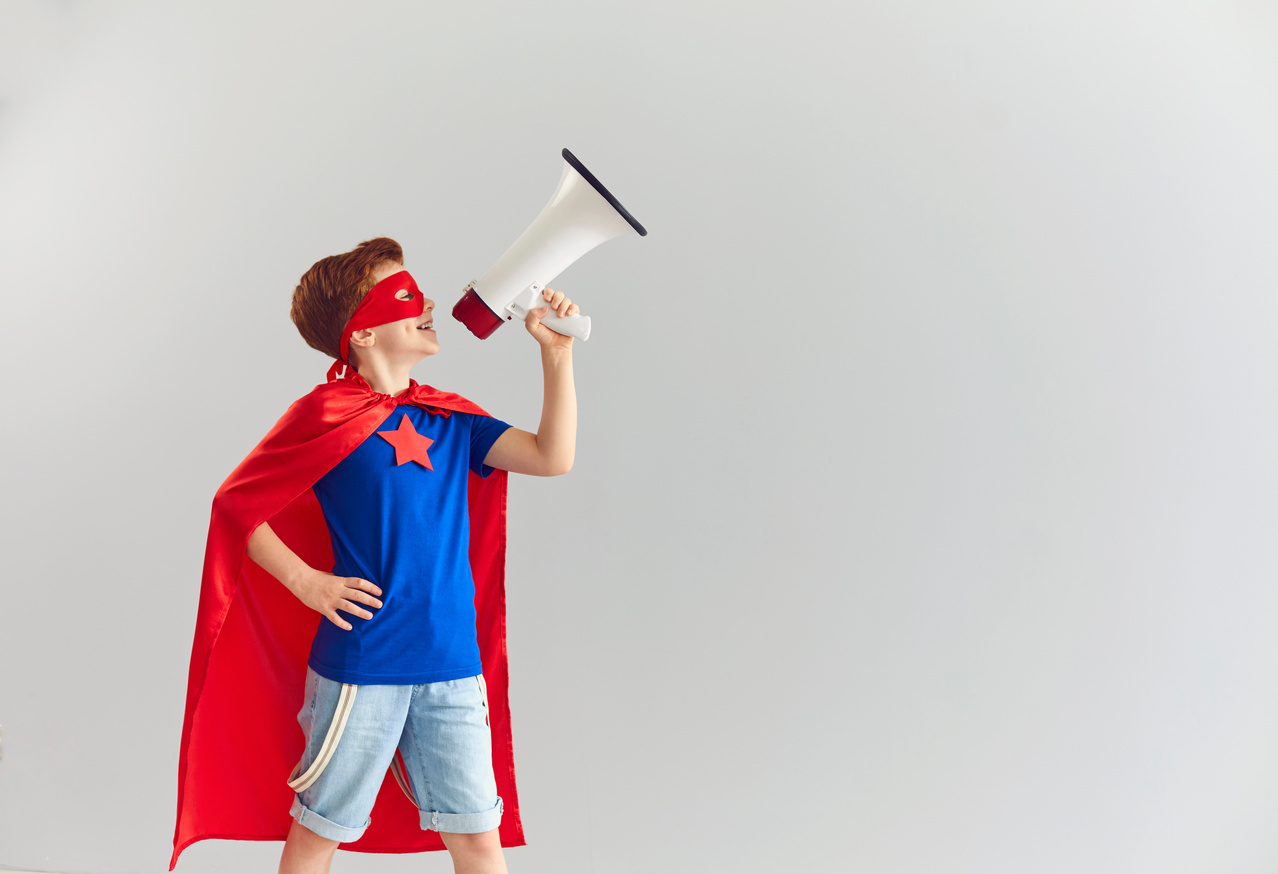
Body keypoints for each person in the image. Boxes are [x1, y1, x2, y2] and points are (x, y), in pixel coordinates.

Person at [170, 237, 577, 874]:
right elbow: (234, 506)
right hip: (361, 666)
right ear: (361, 334)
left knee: (476, 837)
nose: (430, 303)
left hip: (452, 665)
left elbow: (552, 457)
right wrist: (307, 582)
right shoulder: (324, 415)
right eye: (407, 296)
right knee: (319, 831)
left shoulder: (450, 419)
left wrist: (557, 357)